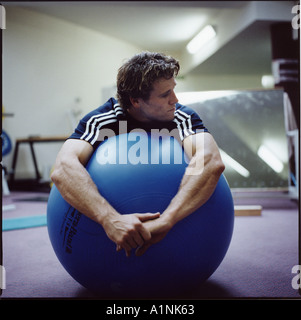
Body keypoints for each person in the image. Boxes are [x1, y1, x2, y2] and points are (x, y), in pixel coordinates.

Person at [51, 52, 225, 257]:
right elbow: (62, 168)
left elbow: (211, 160)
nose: (175, 100)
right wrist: (110, 219)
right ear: (135, 101)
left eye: (173, 90)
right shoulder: (103, 119)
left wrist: (166, 220)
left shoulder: (181, 117)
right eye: (164, 94)